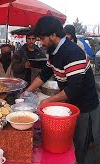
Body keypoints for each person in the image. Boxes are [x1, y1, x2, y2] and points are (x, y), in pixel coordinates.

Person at [25, 16, 100, 164]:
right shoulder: (54, 52)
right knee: (69, 141)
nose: (40, 42)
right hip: (70, 103)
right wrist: (27, 91)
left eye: (41, 38)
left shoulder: (72, 53)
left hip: (85, 107)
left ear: (53, 35)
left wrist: (47, 101)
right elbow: (45, 73)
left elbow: (74, 89)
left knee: (79, 146)